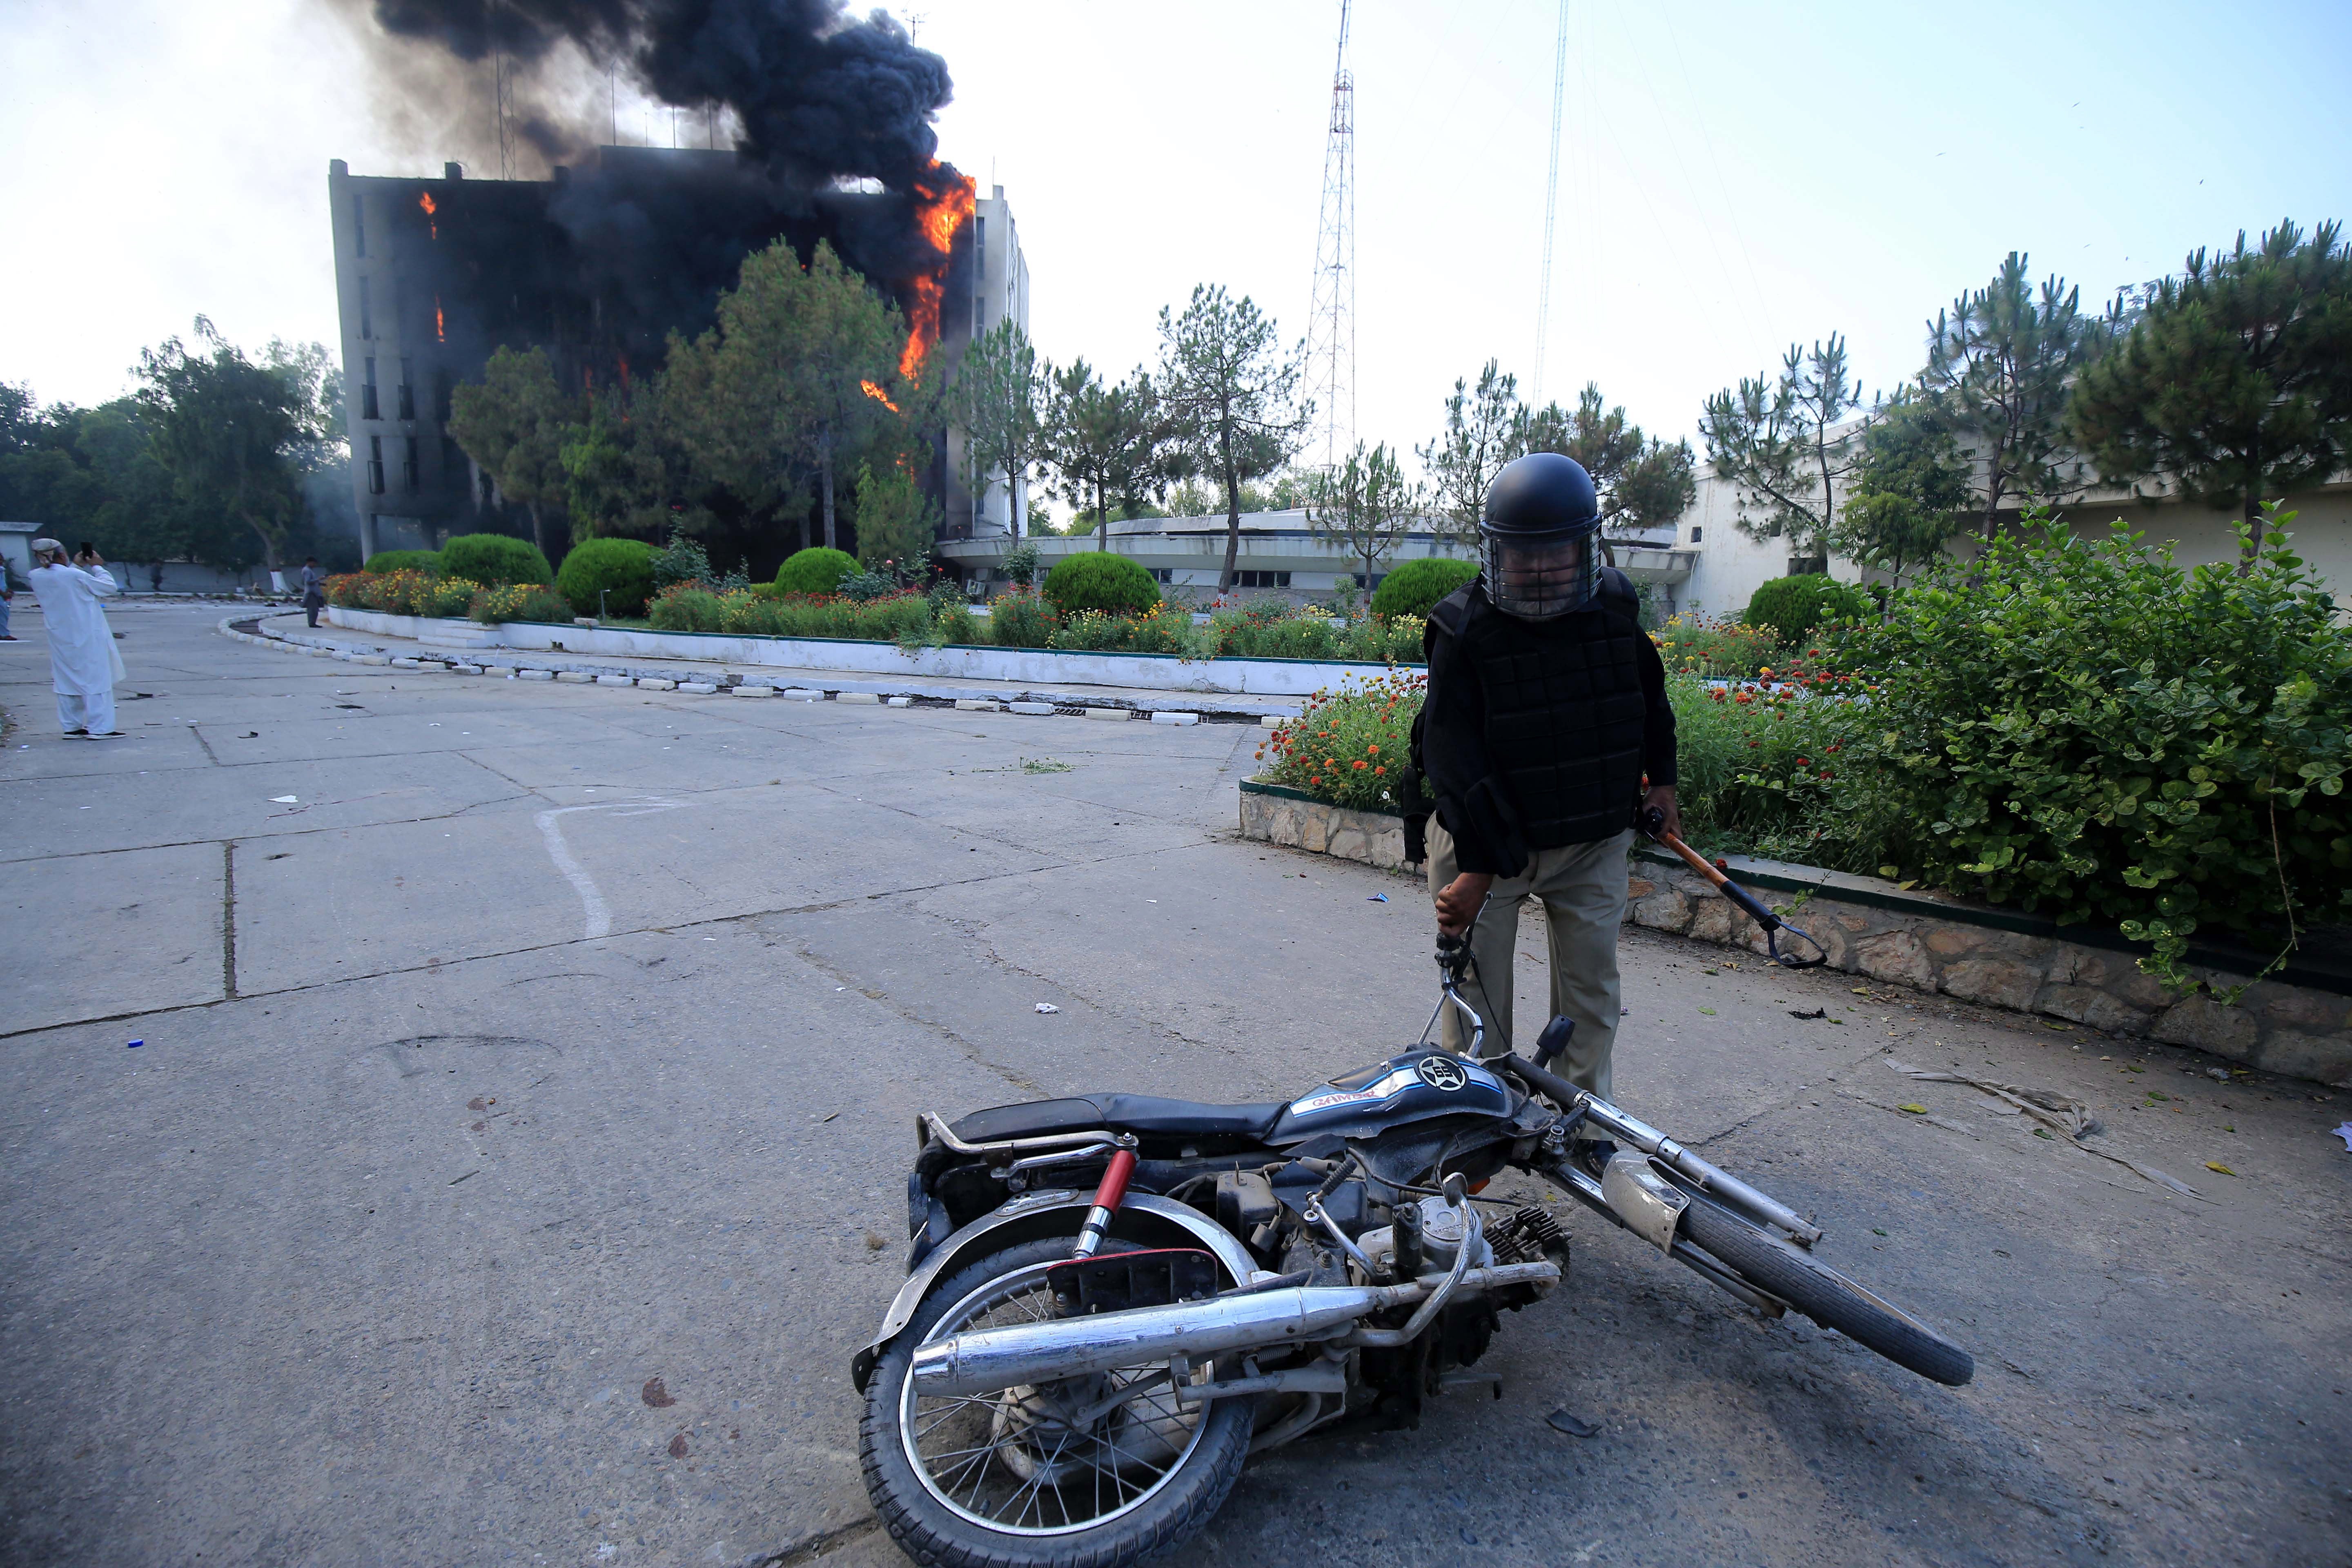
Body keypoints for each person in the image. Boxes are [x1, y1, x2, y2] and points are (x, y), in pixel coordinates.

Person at [1405, 452, 1679, 1125]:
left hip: (1590, 840)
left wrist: (1664, 783)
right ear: (1496, 551)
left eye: (1553, 553)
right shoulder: (1462, 629)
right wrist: (1473, 870)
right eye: (1520, 555)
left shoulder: (1615, 609)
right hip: (1484, 848)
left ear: (1583, 547)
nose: (1536, 570)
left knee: (1590, 995)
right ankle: (1475, 1128)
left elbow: (1646, 698)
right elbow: (1452, 758)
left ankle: (1582, 1124)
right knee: (1478, 1004)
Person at [26, 538, 126, 738]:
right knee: (97, 680)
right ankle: (101, 728)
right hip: (86, 635)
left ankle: (71, 726)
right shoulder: (73, 575)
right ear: (61, 555)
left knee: (66, 681)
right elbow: (108, 587)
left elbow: (64, 580)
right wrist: (97, 567)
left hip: (60, 636)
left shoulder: (35, 576)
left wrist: (77, 565)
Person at [299, 556, 327, 628]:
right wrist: (319, 579)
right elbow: (308, 582)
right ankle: (312, 623)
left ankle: (313, 623)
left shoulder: (308, 570)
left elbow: (304, 582)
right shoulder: (307, 571)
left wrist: (320, 584)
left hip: (312, 592)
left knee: (314, 609)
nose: (315, 565)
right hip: (311, 593)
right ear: (310, 563)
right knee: (313, 609)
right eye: (314, 563)